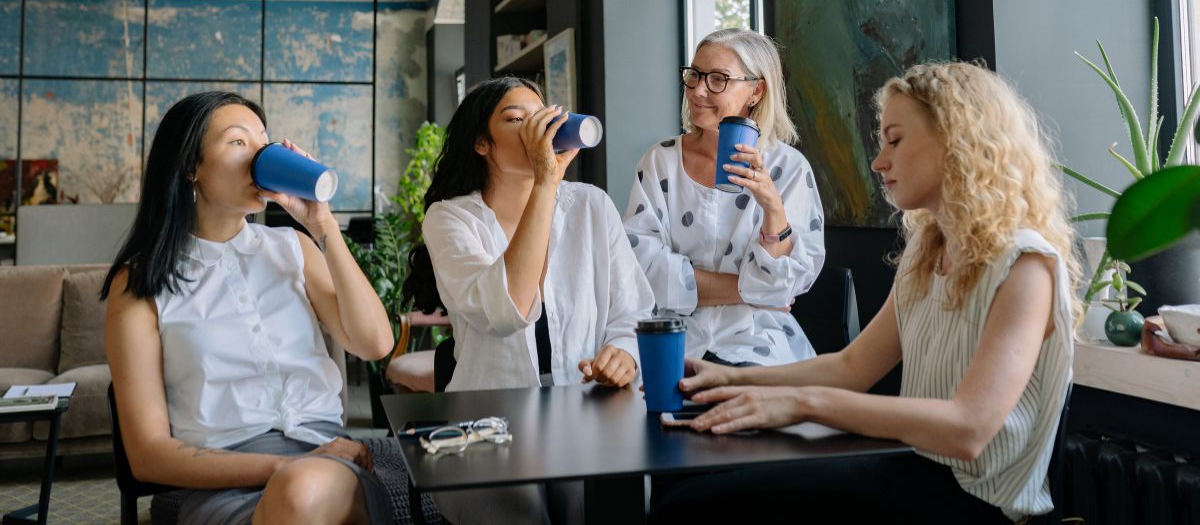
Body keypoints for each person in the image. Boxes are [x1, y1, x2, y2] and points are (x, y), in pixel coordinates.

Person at [654, 61, 1081, 524]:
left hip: (973, 508)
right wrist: (729, 379)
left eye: (894, 140)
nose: (879, 161)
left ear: (958, 140)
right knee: (687, 498)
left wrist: (800, 404)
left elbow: (968, 429)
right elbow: (851, 367)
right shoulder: (928, 252)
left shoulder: (1025, 266)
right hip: (909, 472)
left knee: (689, 510)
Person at [102, 92, 395, 525]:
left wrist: (323, 226)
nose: (259, 154)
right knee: (297, 489)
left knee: (303, 489)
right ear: (191, 167)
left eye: (263, 141)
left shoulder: (294, 248)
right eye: (239, 142)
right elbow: (147, 455)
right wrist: (284, 467)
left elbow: (375, 344)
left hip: (331, 466)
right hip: (224, 481)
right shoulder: (139, 285)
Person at [402, 76, 655, 525]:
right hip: (488, 419)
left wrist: (624, 352)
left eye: (542, 116)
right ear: (482, 143)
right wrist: (545, 184)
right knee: (518, 511)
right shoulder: (450, 218)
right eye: (516, 119)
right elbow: (508, 311)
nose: (537, 128)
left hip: (583, 407)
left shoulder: (591, 207)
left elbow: (633, 309)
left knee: (609, 501)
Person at [623, 28, 825, 367]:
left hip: (757, 340)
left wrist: (773, 208)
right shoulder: (660, 162)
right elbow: (642, 270)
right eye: (694, 75)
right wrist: (752, 292)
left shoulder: (789, 169)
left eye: (719, 79)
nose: (698, 90)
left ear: (756, 91)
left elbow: (785, 283)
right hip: (672, 337)